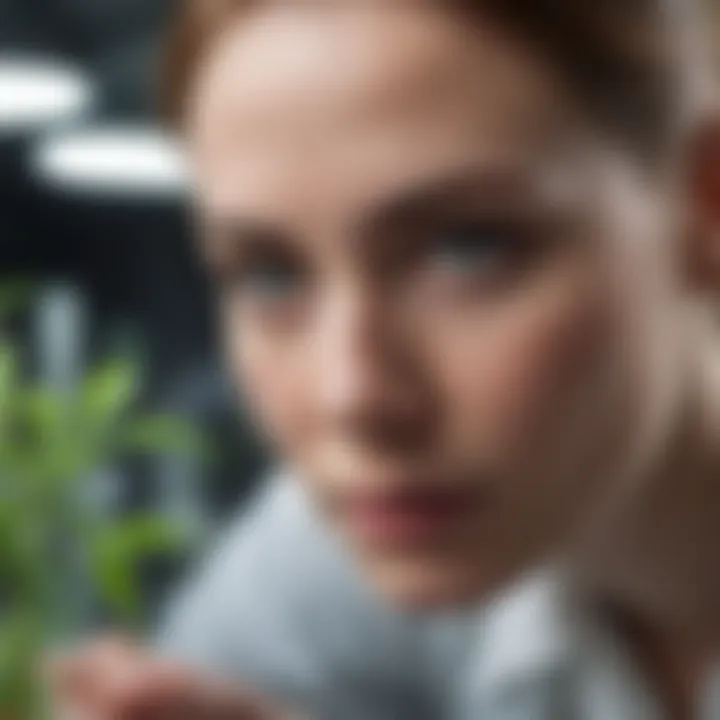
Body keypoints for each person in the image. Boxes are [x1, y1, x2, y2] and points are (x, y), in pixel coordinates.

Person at [49, 0, 720, 718]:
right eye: (268, 275)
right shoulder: (368, 530)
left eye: (470, 248)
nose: (354, 396)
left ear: (701, 206)